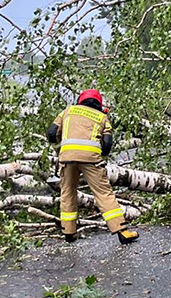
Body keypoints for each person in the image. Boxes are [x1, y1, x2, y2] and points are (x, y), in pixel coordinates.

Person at [46, 89, 139, 244]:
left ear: (80, 100)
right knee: (103, 193)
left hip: (67, 157)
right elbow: (107, 144)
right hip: (91, 160)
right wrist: (100, 155)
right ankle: (122, 231)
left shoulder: (67, 111)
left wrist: (59, 150)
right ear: (99, 104)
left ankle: (69, 233)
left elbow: (51, 133)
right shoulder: (102, 117)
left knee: (68, 192)